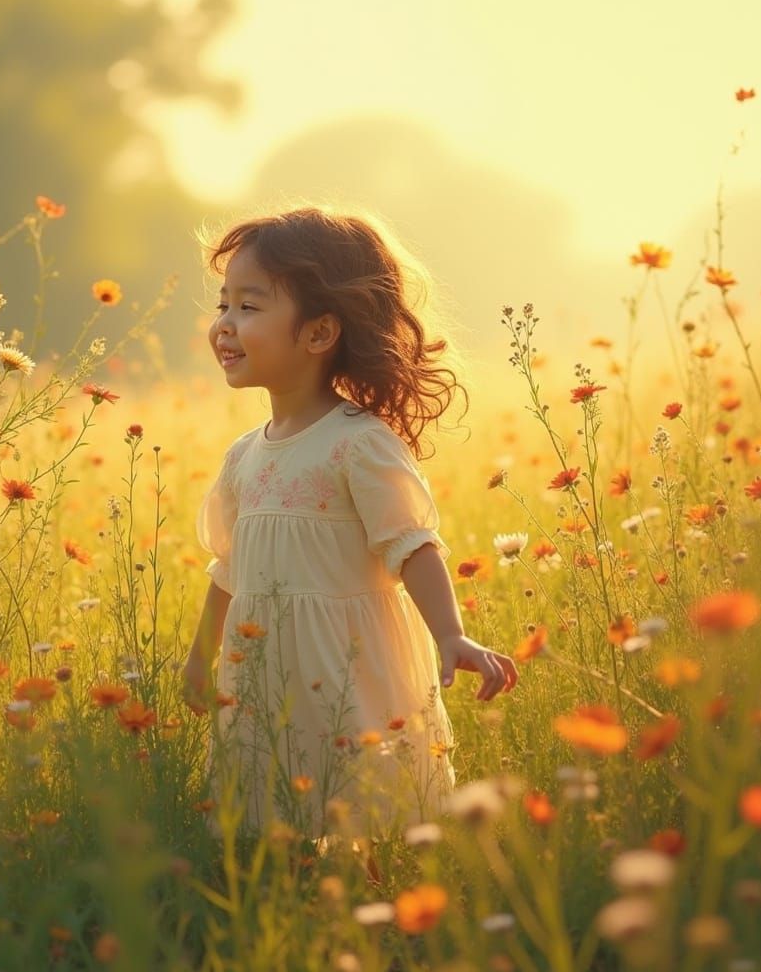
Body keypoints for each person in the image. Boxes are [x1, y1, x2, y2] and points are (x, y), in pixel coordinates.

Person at [183, 207, 517, 838]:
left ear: (318, 333)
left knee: (364, 810)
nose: (224, 326)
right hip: (263, 671)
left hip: (345, 670)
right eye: (223, 305)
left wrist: (450, 634)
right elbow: (229, 568)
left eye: (249, 308)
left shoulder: (357, 444)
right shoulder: (244, 456)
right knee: (272, 817)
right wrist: (202, 656)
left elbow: (411, 545)